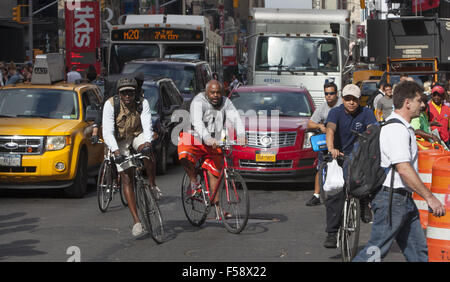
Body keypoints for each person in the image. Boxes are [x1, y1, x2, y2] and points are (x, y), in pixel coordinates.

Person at [353, 81, 446, 262]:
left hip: (403, 200)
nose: (423, 104)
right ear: (407, 102)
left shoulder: (403, 127)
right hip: (392, 200)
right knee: (375, 252)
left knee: (418, 252)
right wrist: (430, 198)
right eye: (419, 100)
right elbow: (403, 169)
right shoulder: (397, 129)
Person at [102, 77, 160, 237]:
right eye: (124, 93)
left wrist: (147, 143)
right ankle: (136, 221)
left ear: (136, 93)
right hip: (119, 141)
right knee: (126, 178)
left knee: (148, 152)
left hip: (136, 134)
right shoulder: (110, 105)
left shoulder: (143, 103)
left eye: (130, 93)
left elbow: (147, 125)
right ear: (119, 94)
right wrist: (116, 152)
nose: (127, 96)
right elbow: (107, 131)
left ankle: (153, 185)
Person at [178, 80, 245, 217]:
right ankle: (193, 181)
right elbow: (197, 123)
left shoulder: (226, 102)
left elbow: (236, 118)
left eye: (218, 92)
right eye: (212, 92)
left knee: (215, 171)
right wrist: (207, 138)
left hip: (214, 141)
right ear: (206, 92)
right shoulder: (198, 101)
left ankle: (219, 210)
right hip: (195, 136)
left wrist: (242, 135)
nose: (216, 95)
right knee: (184, 154)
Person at [323, 84, 378, 248]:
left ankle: (364, 201)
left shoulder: (367, 112)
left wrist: (371, 138)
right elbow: (330, 130)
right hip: (340, 156)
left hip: (360, 157)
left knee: (373, 174)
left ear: (359, 100)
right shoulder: (335, 112)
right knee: (335, 193)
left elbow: (372, 129)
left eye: (354, 99)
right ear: (343, 98)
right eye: (348, 99)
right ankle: (332, 233)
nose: (351, 102)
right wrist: (331, 148)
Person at [305, 81, 342, 206]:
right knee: (320, 166)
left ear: (336, 94)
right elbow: (309, 124)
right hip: (326, 142)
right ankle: (316, 195)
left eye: (331, 93)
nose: (329, 96)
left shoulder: (343, 104)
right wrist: (320, 126)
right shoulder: (322, 108)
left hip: (341, 141)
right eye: (326, 94)